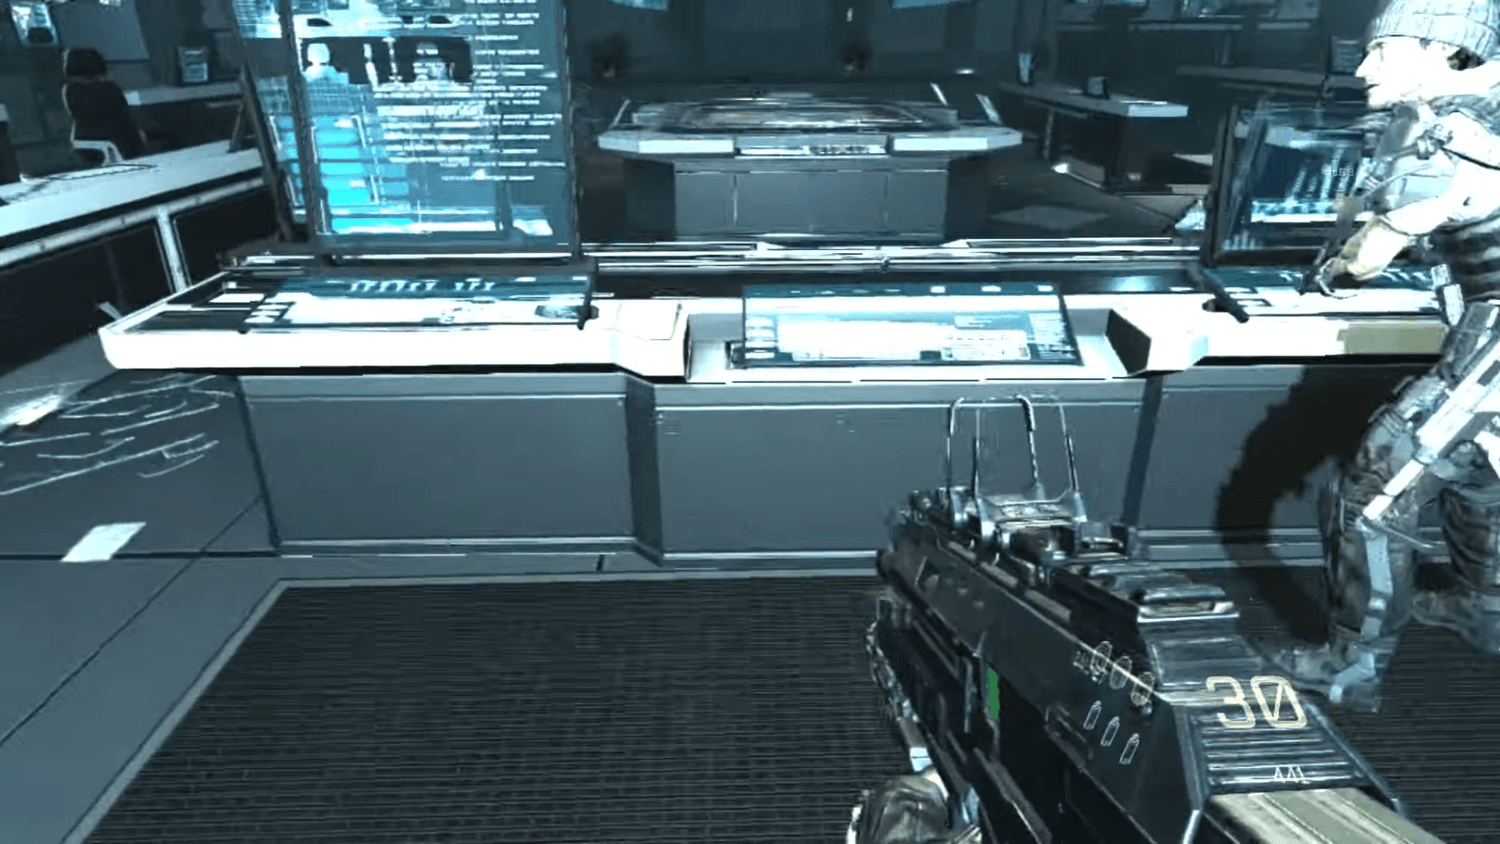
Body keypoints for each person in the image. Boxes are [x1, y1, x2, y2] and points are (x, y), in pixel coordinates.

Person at [1268, 0, 1500, 711]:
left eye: (1385, 50)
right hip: (1486, 327)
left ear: (1443, 50)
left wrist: (1333, 270)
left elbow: (1368, 256)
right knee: (1475, 470)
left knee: (1374, 493)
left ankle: (1351, 667)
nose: (1364, 67)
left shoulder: (1446, 135)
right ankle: (1484, 609)